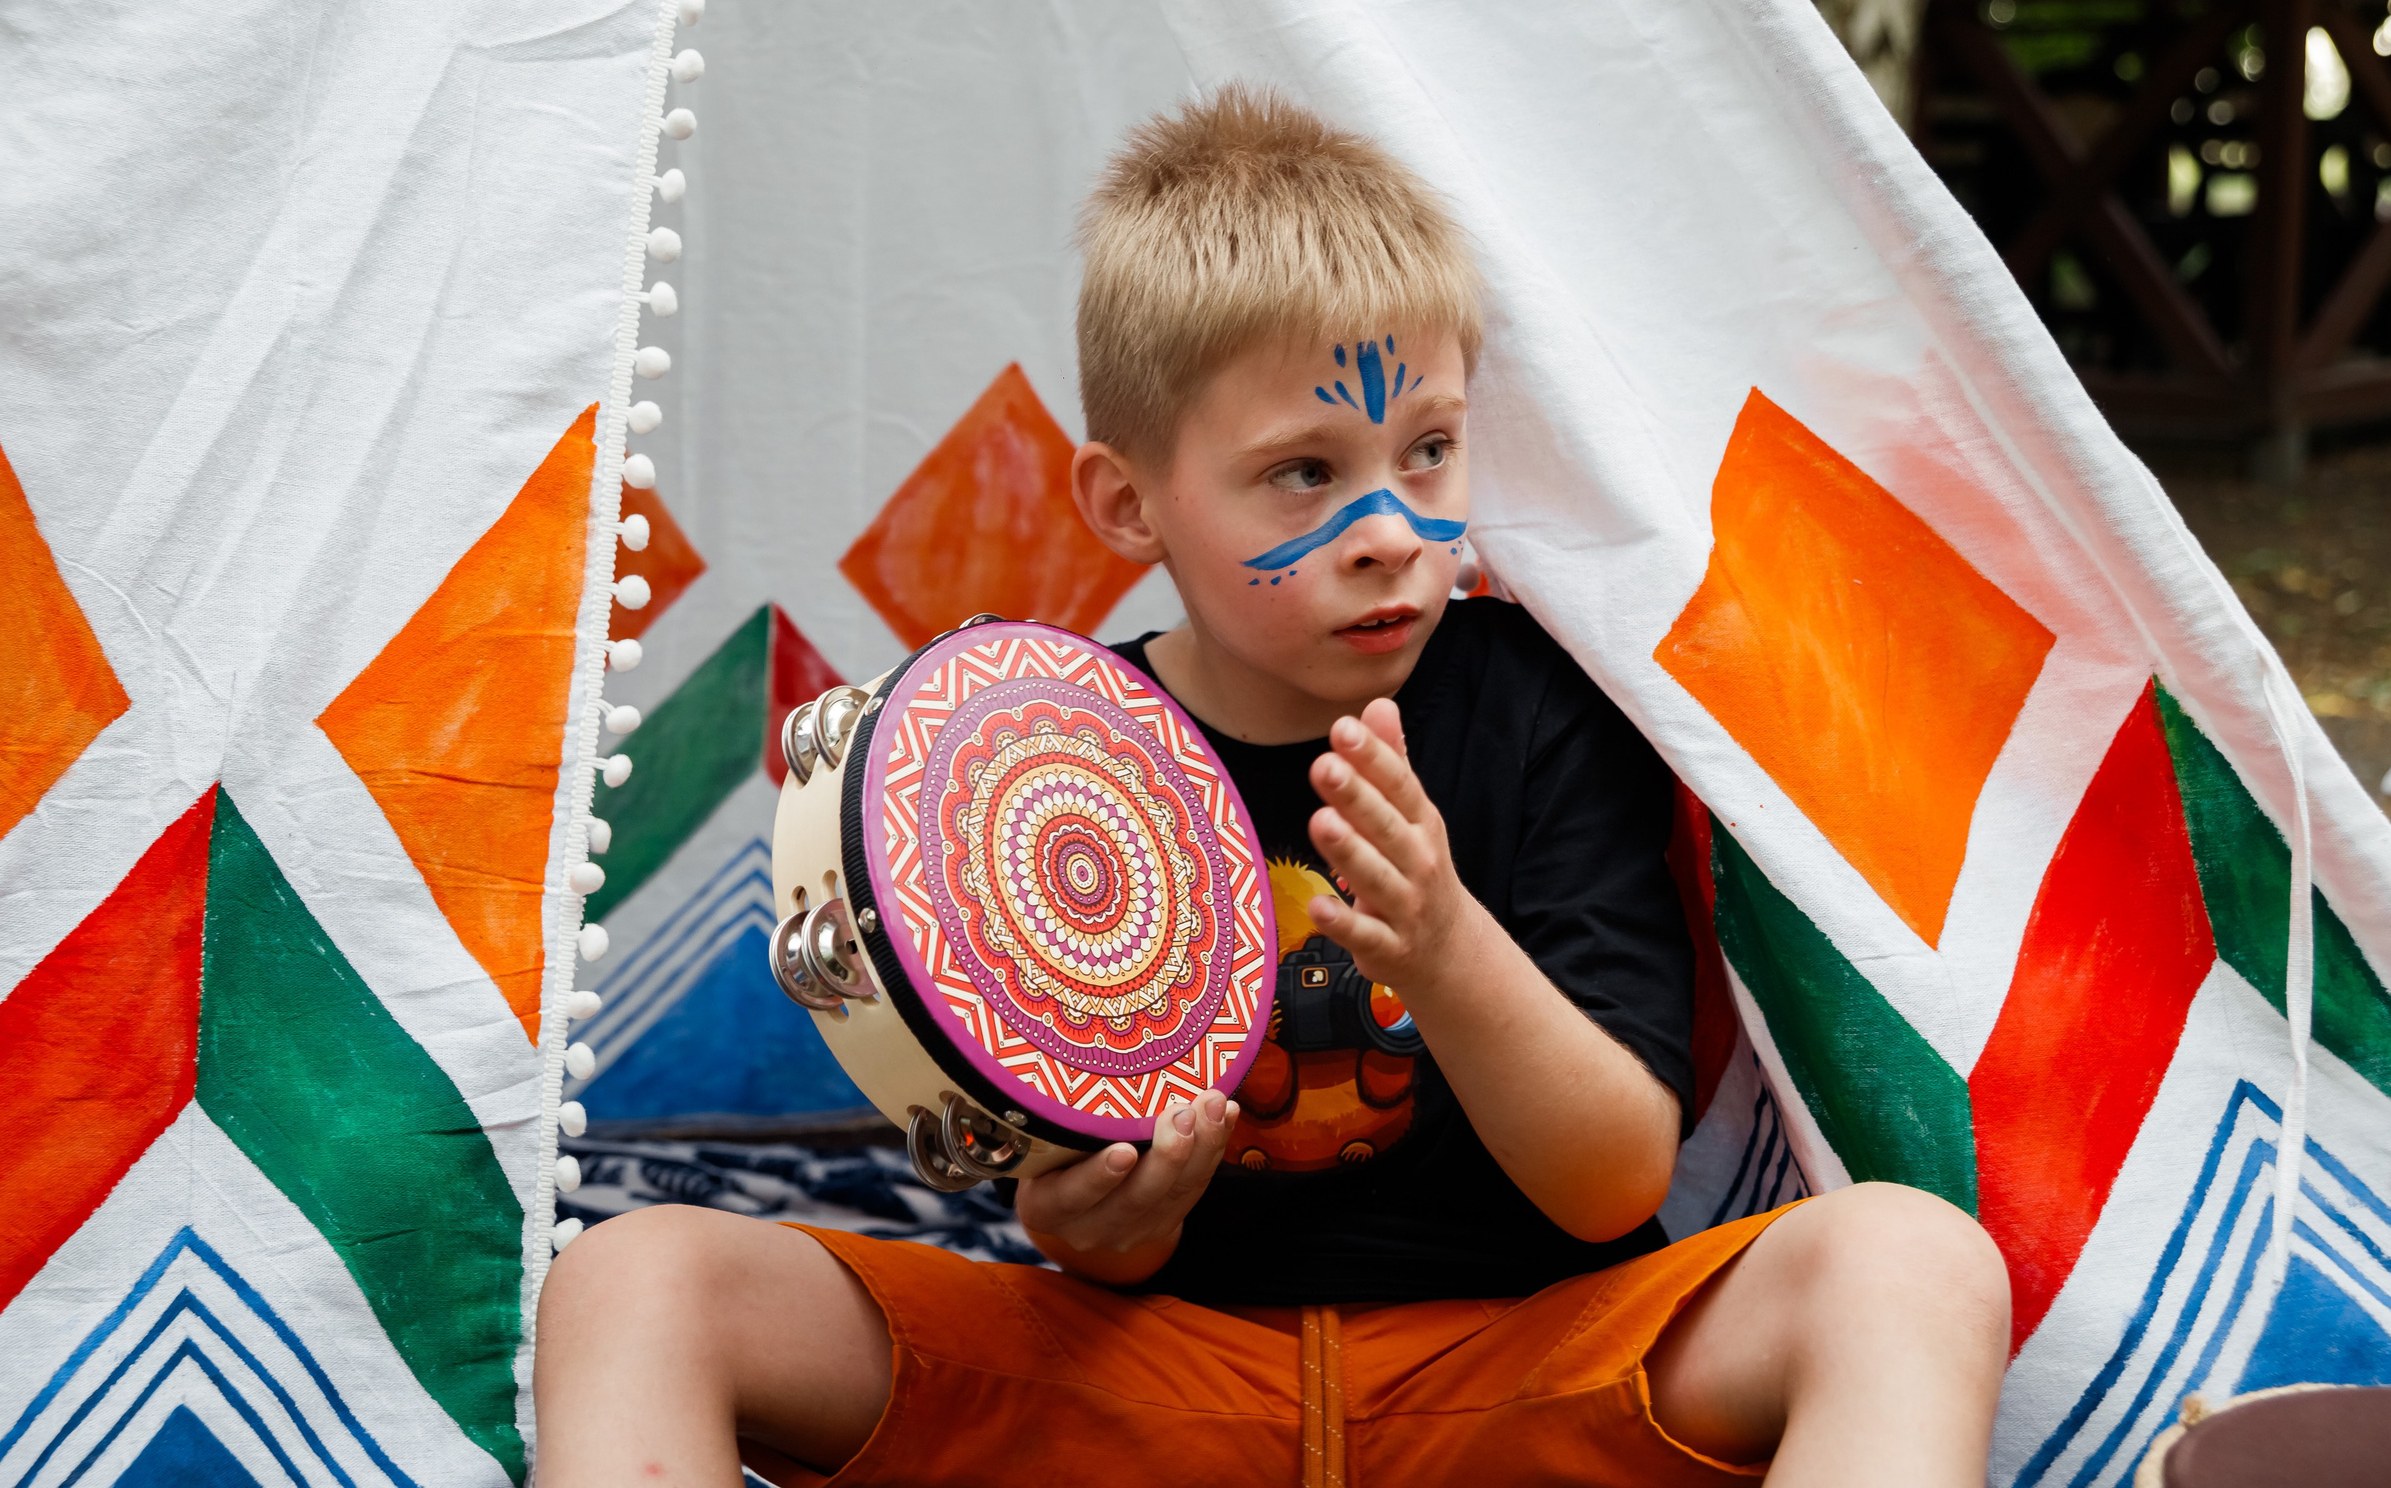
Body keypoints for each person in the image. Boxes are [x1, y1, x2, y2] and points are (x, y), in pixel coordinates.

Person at [532, 87, 2011, 1486]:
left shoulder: (1547, 704)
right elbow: (1082, 1232)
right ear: (1129, 503)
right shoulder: (1053, 770)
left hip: (1521, 1377)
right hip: (1156, 1383)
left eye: (1427, 452)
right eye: (1303, 473)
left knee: (1910, 1262)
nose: (1388, 529)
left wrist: (1441, 941)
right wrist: (1101, 1223)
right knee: (635, 1279)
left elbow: (1614, 1182)